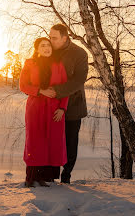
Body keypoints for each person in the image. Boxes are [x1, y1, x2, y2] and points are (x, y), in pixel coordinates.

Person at [19, 37, 69, 187]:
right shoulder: (30, 64)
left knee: (52, 141)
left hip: (54, 110)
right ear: (37, 49)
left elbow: (65, 89)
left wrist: (62, 108)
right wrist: (40, 91)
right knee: (36, 141)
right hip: (36, 108)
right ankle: (32, 178)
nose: (47, 48)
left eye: (48, 45)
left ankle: (47, 178)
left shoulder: (58, 65)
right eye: (43, 46)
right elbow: (23, 86)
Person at [44, 24, 88, 184]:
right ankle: (50, 175)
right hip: (50, 106)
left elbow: (78, 80)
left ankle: (66, 175)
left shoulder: (79, 53)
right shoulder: (48, 50)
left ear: (65, 38)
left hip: (73, 106)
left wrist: (56, 91)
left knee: (70, 142)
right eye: (50, 37)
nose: (51, 40)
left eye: (54, 38)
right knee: (51, 141)